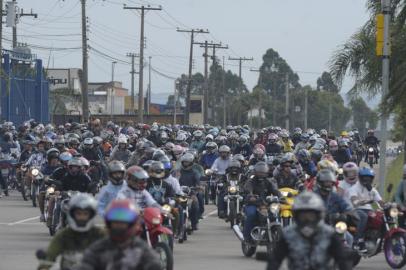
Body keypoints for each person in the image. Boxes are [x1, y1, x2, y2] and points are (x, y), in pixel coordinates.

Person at [267, 191, 352, 270]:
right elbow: (276, 259)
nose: (307, 220)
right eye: (303, 216)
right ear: (296, 216)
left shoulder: (329, 234)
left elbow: (342, 260)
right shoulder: (288, 234)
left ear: (319, 215)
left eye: (311, 216)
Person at [78, 199, 161, 270]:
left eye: (124, 221)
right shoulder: (96, 251)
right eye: (115, 221)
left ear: (134, 223)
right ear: (108, 223)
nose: (119, 225)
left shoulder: (144, 252)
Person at [38, 193, 105, 270]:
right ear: (72, 215)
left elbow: (114, 254)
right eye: (78, 214)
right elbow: (50, 255)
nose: (82, 217)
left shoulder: (100, 234)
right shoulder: (64, 235)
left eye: (85, 214)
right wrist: (44, 266)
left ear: (91, 215)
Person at [314, 169, 358, 247]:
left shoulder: (335, 196)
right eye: (326, 182)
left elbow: (346, 206)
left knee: (349, 238)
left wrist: (351, 214)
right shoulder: (313, 195)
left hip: (335, 225)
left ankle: (346, 258)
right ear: (320, 183)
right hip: (318, 225)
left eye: (330, 182)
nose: (329, 184)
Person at [348, 167, 385, 252]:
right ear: (360, 177)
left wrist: (388, 205)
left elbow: (380, 201)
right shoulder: (354, 188)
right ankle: (358, 241)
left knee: (381, 217)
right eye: (364, 177)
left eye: (369, 177)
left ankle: (381, 240)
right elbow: (354, 200)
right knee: (364, 216)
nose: (367, 179)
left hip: (369, 210)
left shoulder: (372, 190)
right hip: (356, 210)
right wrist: (361, 201)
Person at [242, 162, 280, 243]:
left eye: (263, 172)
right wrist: (250, 195)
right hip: (253, 204)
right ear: (255, 172)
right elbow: (248, 189)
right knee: (251, 214)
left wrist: (281, 196)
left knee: (275, 214)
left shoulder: (268, 182)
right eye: (259, 171)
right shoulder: (251, 181)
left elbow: (275, 190)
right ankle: (247, 237)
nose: (261, 173)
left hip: (266, 204)